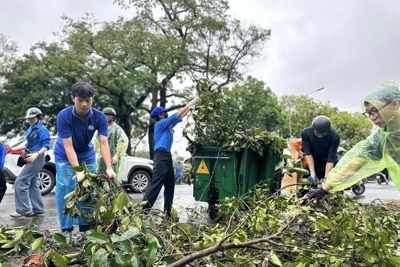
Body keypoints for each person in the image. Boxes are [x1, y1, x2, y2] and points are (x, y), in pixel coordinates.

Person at [306, 81, 400, 202]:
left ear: (394, 104)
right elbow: (355, 164)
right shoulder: (380, 138)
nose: (372, 117)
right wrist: (324, 189)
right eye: (368, 113)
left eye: (375, 111)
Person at [54, 82, 116, 242]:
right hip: (64, 156)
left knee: (88, 190)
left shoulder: (99, 117)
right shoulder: (64, 116)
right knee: (66, 189)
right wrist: (78, 171)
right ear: (73, 98)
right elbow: (68, 146)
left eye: (88, 100)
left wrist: (109, 167)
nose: (84, 104)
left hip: (87, 155)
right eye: (80, 99)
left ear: (92, 100)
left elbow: (103, 143)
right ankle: (66, 230)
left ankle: (85, 229)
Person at [142, 96, 201, 220]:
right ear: (161, 115)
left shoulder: (168, 126)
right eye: (164, 112)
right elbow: (176, 115)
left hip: (167, 157)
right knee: (156, 185)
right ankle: (142, 213)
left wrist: (193, 106)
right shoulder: (160, 124)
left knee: (170, 185)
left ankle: (167, 214)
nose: (166, 113)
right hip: (160, 157)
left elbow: (181, 115)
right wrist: (190, 103)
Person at [7, 108, 50, 217]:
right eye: (29, 118)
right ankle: (38, 208)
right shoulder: (31, 129)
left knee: (20, 182)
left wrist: (36, 155)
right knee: (32, 184)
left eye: (32, 118)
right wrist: (12, 148)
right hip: (30, 155)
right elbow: (27, 145)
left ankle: (24, 210)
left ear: (38, 117)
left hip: (36, 157)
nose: (30, 120)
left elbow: (46, 146)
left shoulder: (42, 130)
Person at [301, 116, 340, 187]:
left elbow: (331, 158)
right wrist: (312, 172)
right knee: (308, 188)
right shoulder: (306, 133)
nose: (319, 135)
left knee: (330, 188)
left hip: (328, 163)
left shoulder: (334, 136)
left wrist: (326, 177)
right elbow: (308, 154)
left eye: (322, 134)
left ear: (327, 131)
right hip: (313, 162)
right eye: (317, 133)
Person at [92, 107, 128, 182]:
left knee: (112, 178)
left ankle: (113, 193)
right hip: (100, 157)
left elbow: (121, 142)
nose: (107, 116)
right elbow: (95, 142)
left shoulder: (117, 129)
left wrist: (116, 156)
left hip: (112, 157)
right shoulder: (100, 128)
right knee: (99, 176)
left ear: (113, 116)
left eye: (109, 115)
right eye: (105, 115)